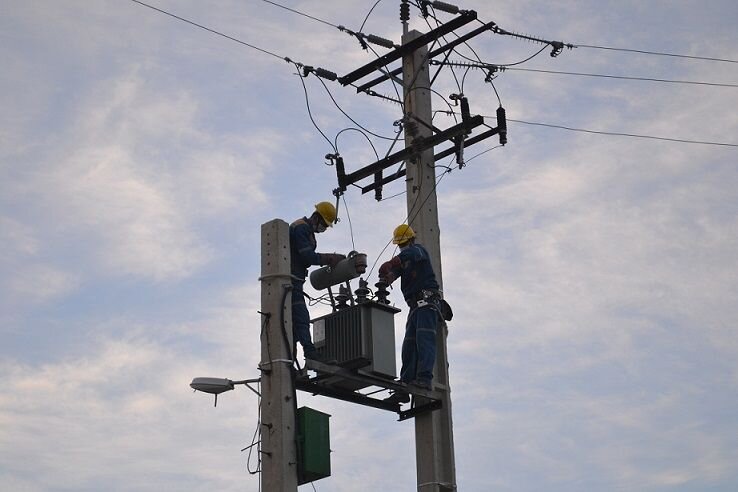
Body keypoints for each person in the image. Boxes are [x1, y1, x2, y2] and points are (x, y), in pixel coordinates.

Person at [379, 224, 442, 399]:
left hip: (427, 304)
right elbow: (396, 271)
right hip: (415, 308)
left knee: (424, 341)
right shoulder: (404, 262)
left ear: (411, 240)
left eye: (403, 243)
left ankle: (424, 379)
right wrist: (387, 277)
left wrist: (392, 263)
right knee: (408, 347)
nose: (402, 246)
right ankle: (405, 385)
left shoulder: (418, 251)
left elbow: (411, 255)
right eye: (400, 244)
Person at [290, 201, 345, 362]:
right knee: (301, 318)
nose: (325, 229)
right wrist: (329, 258)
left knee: (292, 324)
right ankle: (310, 352)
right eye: (325, 225)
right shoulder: (301, 228)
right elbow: (307, 256)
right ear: (317, 218)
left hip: (295, 280)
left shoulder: (307, 231)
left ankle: (291, 361)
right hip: (290, 280)